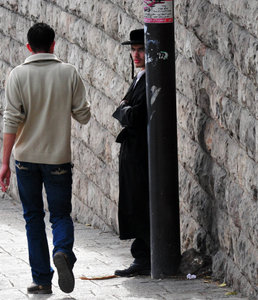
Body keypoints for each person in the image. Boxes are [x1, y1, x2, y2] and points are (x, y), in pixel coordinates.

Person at [0, 22, 91, 294]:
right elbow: (83, 116)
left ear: (29, 47)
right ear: (53, 45)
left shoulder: (17, 75)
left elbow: (11, 120)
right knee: (60, 214)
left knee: (33, 217)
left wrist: (5, 163)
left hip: (25, 158)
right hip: (58, 158)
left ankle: (41, 279)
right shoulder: (68, 73)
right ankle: (62, 251)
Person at [112, 28, 151, 277]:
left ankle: (144, 256)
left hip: (140, 152)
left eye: (141, 50)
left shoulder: (150, 79)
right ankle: (141, 255)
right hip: (131, 151)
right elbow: (125, 109)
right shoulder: (139, 77)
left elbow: (134, 114)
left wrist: (123, 110)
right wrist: (124, 109)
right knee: (132, 200)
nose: (136, 55)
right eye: (133, 50)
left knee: (139, 201)